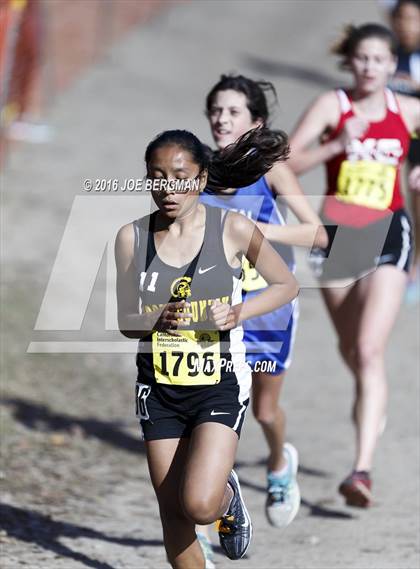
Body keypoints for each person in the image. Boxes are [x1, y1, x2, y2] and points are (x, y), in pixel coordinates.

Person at [115, 128, 299, 568]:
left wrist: (240, 314)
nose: (168, 188)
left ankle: (227, 494)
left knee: (198, 505)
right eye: (157, 177)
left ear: (200, 180)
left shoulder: (232, 228)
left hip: (219, 385)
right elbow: (126, 322)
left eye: (180, 176)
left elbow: (286, 285)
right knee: (173, 518)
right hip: (158, 389)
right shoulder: (131, 238)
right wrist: (154, 319)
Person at [288, 23, 420, 507]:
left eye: (379, 60)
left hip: (388, 231)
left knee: (367, 350)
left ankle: (361, 470)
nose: (369, 67)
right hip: (339, 236)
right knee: (350, 347)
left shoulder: (408, 111)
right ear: (351, 61)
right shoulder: (331, 106)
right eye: (361, 59)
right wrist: (336, 143)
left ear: (392, 65)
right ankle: (372, 399)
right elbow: (285, 164)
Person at [199, 74, 328, 532]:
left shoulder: (270, 170)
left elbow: (319, 234)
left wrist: (257, 234)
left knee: (265, 411)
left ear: (254, 122)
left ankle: (279, 465)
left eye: (233, 111)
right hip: (214, 312)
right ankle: (211, 511)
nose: (221, 118)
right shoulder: (197, 170)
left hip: (269, 308)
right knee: (212, 410)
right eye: (216, 109)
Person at [389, 0, 420, 302]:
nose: (406, 25)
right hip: (390, 136)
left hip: (419, 139)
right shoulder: (384, 53)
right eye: (400, 19)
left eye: (413, 19)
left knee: (418, 201)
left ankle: (415, 265)